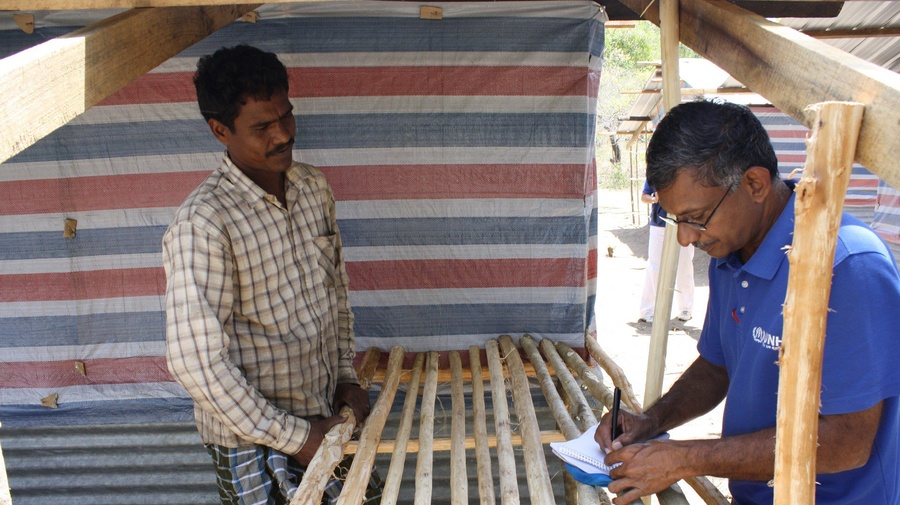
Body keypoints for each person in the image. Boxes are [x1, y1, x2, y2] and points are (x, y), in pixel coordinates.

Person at [595, 100, 900, 504]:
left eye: (696, 217)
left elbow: (847, 442)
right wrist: (650, 421)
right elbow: (717, 366)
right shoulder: (730, 252)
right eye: (675, 219)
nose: (685, 238)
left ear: (755, 184)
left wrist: (686, 458)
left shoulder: (848, 265)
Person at [163, 45, 381, 505]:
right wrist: (296, 438)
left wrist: (345, 376)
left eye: (286, 115)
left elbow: (335, 294)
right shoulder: (204, 222)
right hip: (254, 440)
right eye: (262, 127)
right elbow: (195, 363)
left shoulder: (312, 186)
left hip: (325, 416)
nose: (283, 134)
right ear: (220, 130)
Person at [638, 180, 695, 324]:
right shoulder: (656, 172)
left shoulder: (690, 171)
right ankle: (649, 310)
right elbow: (644, 196)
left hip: (684, 223)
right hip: (659, 224)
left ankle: (686, 308)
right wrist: (654, 199)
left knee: (684, 265)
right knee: (654, 266)